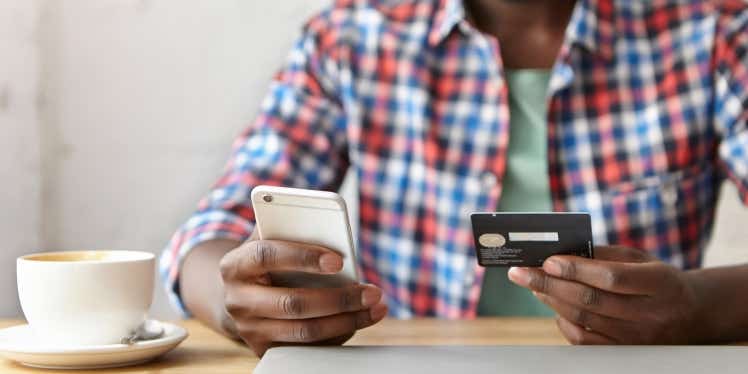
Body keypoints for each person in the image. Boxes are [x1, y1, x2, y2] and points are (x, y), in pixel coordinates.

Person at [160, 0, 748, 356]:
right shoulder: (351, 37)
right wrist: (235, 300)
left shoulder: (713, 31)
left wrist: (698, 307)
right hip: (413, 357)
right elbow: (214, 230)